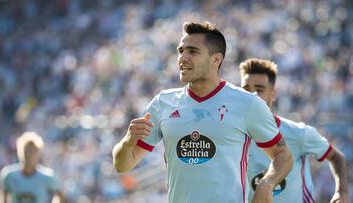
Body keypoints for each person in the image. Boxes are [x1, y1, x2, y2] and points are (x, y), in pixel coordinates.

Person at [112, 21, 293, 203]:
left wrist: (266, 184)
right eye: (181, 51)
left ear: (216, 59)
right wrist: (128, 141)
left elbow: (283, 154)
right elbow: (122, 165)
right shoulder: (163, 103)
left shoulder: (247, 103)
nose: (182, 58)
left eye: (193, 51)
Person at [239, 58, 350, 203]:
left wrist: (341, 192)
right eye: (246, 89)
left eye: (259, 89)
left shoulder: (298, 133)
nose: (253, 95)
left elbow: (336, 157)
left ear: (273, 93)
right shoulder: (234, 136)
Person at [0, 131, 65, 203]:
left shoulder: (47, 176)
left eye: (32, 151)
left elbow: (60, 194)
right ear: (19, 151)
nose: (29, 154)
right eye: (26, 150)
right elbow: (3, 195)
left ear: (38, 153)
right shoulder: (9, 175)